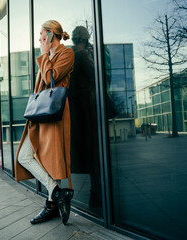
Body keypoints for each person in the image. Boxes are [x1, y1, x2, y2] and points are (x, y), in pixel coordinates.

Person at [15, 20, 75, 225]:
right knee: (24, 155)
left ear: (50, 35)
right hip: (41, 113)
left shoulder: (66, 54)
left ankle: (51, 204)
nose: (39, 38)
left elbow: (52, 78)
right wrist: (46, 54)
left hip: (54, 112)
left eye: (41, 34)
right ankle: (58, 193)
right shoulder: (48, 56)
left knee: (52, 160)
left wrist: (45, 52)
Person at [68, 26, 102, 215]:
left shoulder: (69, 55)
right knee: (95, 152)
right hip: (87, 110)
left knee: (84, 150)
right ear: (85, 39)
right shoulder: (81, 56)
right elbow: (98, 75)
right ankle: (95, 192)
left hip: (75, 111)